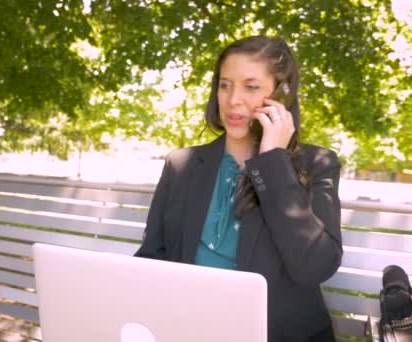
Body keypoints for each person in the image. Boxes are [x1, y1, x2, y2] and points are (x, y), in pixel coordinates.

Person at [135, 35, 343, 342]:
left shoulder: (318, 164)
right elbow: (151, 258)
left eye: (251, 86)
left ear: (281, 96)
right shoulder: (181, 165)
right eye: (225, 84)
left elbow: (315, 267)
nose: (233, 99)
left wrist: (273, 162)